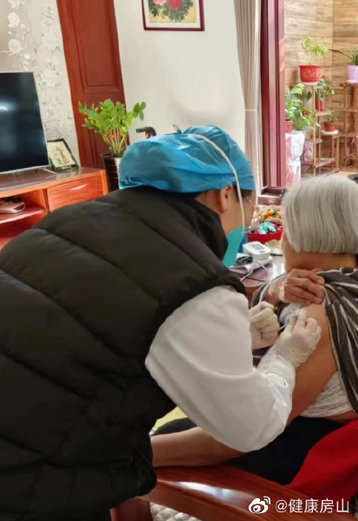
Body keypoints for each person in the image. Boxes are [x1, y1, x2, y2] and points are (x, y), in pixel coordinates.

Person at [0, 126, 321, 521]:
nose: (246, 226)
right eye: (249, 206)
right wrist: (284, 357)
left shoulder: (66, 221)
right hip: (34, 484)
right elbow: (250, 426)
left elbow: (96, 327)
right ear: (225, 194)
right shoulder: (194, 283)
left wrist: (237, 335)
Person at [151, 175, 358, 484]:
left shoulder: (317, 317)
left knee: (160, 438)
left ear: (302, 236)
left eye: (286, 230)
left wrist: (138, 454)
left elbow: (248, 434)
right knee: (187, 423)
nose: (282, 240)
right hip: (308, 423)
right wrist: (274, 291)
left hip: (305, 445)